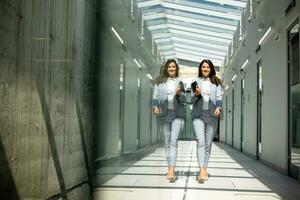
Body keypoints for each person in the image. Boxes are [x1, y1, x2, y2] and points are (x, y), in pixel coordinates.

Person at [152, 59, 185, 182]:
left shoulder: (180, 82)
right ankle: (169, 165)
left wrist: (178, 94)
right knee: (167, 142)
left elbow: (183, 99)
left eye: (173, 67)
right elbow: (155, 96)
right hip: (163, 114)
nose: (171, 68)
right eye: (169, 66)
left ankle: (172, 169)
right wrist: (155, 107)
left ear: (176, 69)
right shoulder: (159, 81)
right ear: (166, 68)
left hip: (177, 114)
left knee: (174, 141)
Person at [191, 59, 222, 183]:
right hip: (198, 115)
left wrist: (219, 108)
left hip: (212, 115)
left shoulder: (216, 82)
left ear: (211, 69)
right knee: (201, 142)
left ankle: (205, 167)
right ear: (200, 68)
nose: (205, 69)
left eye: (207, 67)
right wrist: (197, 94)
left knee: (208, 144)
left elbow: (219, 97)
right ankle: (202, 170)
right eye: (203, 67)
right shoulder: (195, 83)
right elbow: (192, 101)